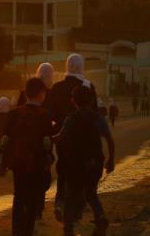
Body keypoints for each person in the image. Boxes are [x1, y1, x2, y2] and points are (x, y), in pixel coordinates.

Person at [58, 85, 114, 235]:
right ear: (91, 101)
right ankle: (100, 215)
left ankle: (68, 227)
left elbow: (61, 138)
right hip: (95, 163)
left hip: (76, 164)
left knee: (71, 195)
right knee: (90, 191)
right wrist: (111, 159)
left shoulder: (70, 119)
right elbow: (109, 139)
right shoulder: (98, 119)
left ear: (73, 101)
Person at [49, 53, 98, 222]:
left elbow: (51, 113)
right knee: (81, 168)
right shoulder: (88, 86)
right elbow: (95, 114)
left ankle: (59, 201)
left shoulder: (56, 88)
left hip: (62, 135)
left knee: (63, 167)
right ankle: (78, 204)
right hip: (82, 137)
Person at [2, 78, 53, 236]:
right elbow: (47, 143)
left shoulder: (14, 113)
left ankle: (16, 231)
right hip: (36, 163)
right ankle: (28, 231)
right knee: (32, 198)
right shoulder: (45, 115)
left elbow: (5, 139)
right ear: (40, 94)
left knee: (19, 196)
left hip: (18, 162)